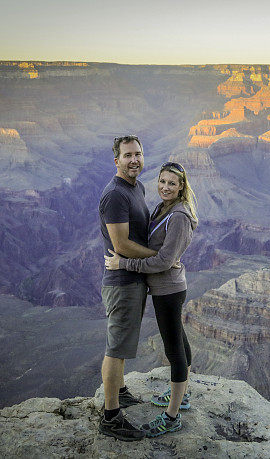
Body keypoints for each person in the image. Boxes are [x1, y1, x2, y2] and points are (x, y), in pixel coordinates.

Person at [105, 160, 198, 437]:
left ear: (182, 187)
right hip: (166, 288)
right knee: (179, 339)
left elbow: (164, 261)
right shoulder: (163, 207)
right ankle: (182, 395)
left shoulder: (179, 215)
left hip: (168, 289)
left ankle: (172, 416)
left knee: (173, 349)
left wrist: (124, 264)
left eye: (172, 183)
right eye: (162, 181)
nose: (165, 187)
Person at [97, 135, 156, 442]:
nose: (134, 159)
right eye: (128, 155)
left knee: (121, 342)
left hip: (133, 279)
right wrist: (159, 259)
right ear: (116, 160)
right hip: (121, 283)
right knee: (116, 347)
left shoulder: (137, 188)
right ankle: (111, 416)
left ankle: (120, 391)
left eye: (138, 154)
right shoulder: (115, 195)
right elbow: (121, 244)